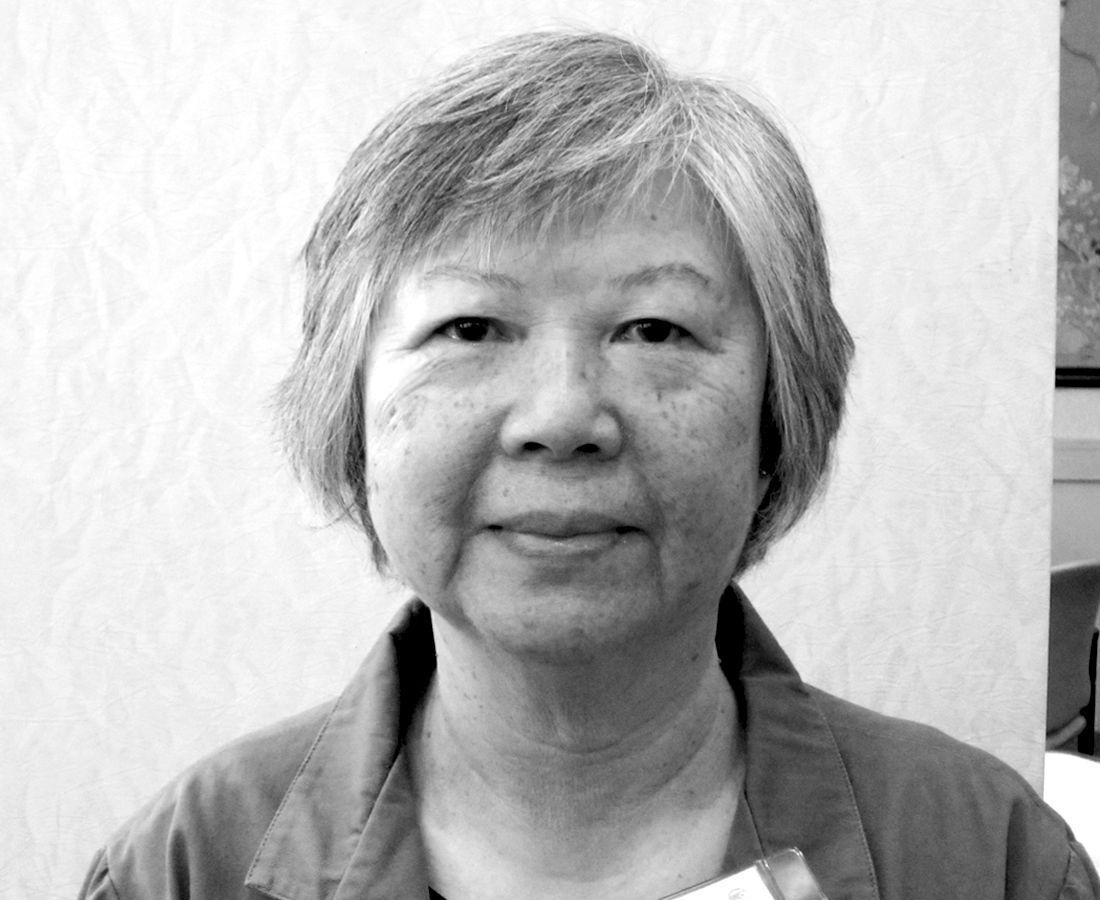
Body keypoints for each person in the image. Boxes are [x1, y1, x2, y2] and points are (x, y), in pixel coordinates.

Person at [79, 30, 1098, 900]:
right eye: (470, 326)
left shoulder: (988, 859)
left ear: (777, 417)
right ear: (352, 418)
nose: (562, 415)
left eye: (654, 329)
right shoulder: (185, 866)